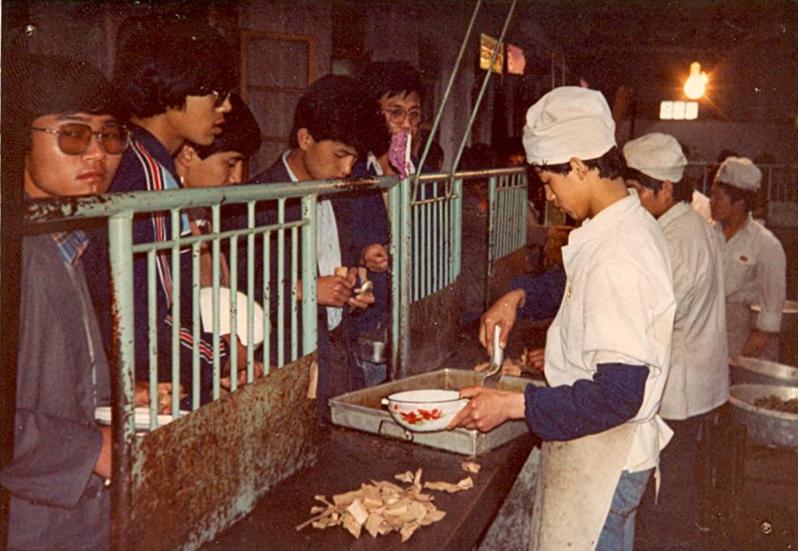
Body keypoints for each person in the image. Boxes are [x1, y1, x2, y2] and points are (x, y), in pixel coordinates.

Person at [449, 87, 676, 550]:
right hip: (601, 451)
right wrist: (518, 296)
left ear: (578, 165)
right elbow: (570, 280)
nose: (550, 198)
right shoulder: (619, 225)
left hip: (604, 459)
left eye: (550, 182)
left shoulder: (621, 255)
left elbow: (617, 395)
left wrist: (512, 405)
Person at [88, 14, 251, 407]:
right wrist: (221, 354)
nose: (226, 106)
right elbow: (145, 318)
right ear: (169, 88)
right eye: (215, 93)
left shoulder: (132, 156)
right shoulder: (148, 176)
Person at [0, 53, 125, 550]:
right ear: (17, 138)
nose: (97, 154)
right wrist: (92, 449)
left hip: (75, 521)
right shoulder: (14, 252)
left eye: (110, 136)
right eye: (73, 135)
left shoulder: (66, 238)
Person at [239, 74, 387, 424]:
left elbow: (336, 261)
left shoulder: (338, 189)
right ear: (305, 138)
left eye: (354, 158)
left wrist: (355, 283)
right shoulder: (256, 201)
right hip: (286, 364)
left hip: (339, 353)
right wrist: (303, 290)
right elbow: (235, 294)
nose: (347, 169)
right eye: (340, 155)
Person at [623, 133, 728, 547]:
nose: (630, 201)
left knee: (666, 493)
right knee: (672, 486)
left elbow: (654, 318)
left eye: (636, 191)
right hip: (688, 382)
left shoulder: (677, 239)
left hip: (679, 390)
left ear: (665, 188)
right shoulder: (683, 226)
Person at [348, 62, 427, 386]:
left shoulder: (420, 176)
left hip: (411, 320)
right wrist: (361, 255)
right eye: (395, 113)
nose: (406, 124)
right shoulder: (353, 172)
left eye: (414, 114)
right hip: (364, 324)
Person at [710, 157, 786, 360]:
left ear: (739, 203)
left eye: (718, 197)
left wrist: (743, 359)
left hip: (745, 334)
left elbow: (770, 312)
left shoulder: (766, 244)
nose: (711, 202)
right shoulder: (707, 234)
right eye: (712, 195)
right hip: (710, 329)